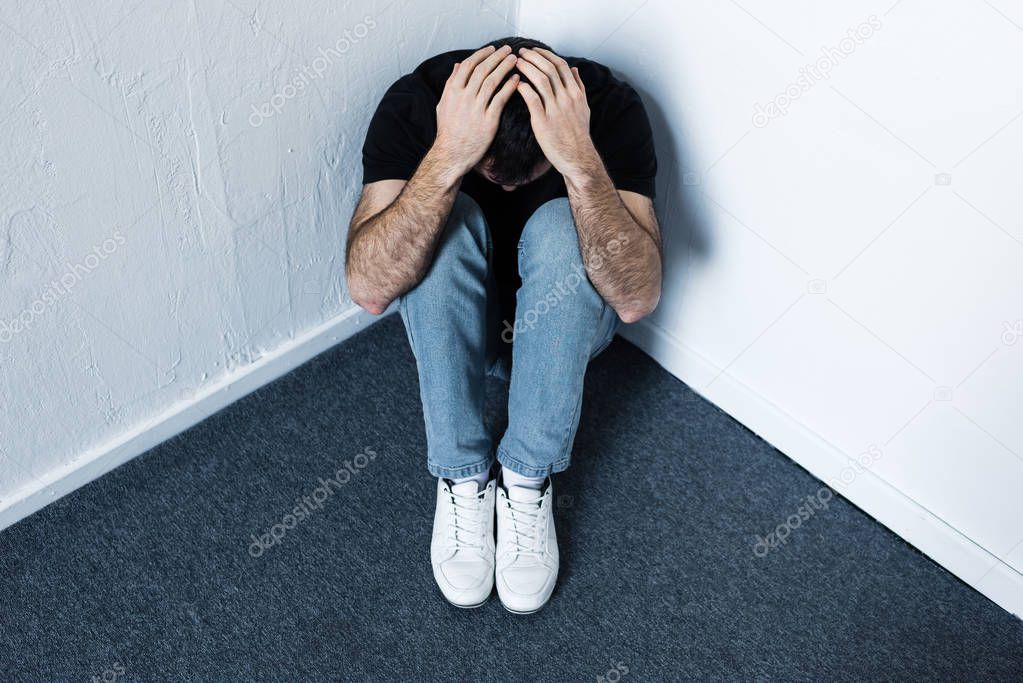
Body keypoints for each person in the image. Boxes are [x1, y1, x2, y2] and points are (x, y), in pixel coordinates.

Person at [346, 36, 661, 613]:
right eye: (496, 174)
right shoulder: (417, 104)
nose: (512, 188)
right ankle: (462, 479)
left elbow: (637, 298)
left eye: (530, 172)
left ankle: (527, 478)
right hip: (469, 330)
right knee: (438, 222)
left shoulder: (608, 108)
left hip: (568, 338)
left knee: (566, 225)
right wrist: (447, 158)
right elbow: (368, 289)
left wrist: (581, 165)